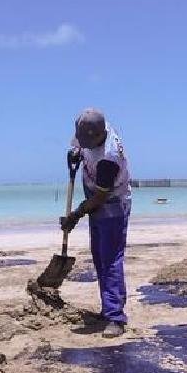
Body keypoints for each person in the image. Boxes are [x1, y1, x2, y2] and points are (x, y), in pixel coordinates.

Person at [60, 109, 132, 338]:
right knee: (99, 257)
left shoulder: (109, 158)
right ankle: (107, 309)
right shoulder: (95, 126)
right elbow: (80, 146)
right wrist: (76, 154)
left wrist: (76, 214)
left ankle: (115, 317)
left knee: (110, 259)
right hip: (96, 196)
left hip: (112, 204)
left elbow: (100, 197)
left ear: (99, 136)